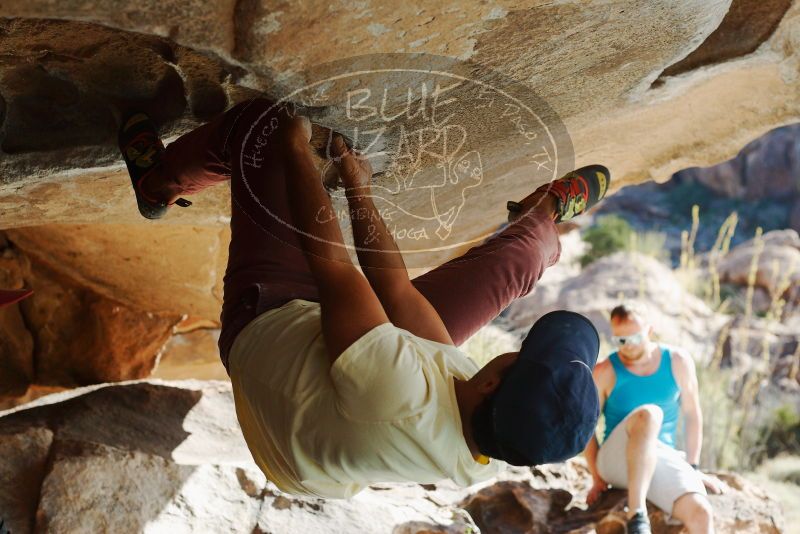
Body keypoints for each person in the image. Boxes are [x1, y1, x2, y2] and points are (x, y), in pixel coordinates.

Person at [118, 98, 610, 498]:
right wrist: (358, 189)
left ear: (491, 385)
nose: (519, 352)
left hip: (272, 323)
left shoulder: (399, 395)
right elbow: (394, 291)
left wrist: (294, 152)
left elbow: (330, 264)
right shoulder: (492, 436)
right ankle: (542, 218)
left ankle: (157, 181)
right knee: (523, 260)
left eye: (526, 357)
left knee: (263, 125)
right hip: (355, 375)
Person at [584, 303, 723, 534]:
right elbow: (586, 427)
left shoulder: (678, 361)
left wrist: (693, 466)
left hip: (659, 457)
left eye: (635, 337)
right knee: (649, 414)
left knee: (701, 514)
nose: (628, 346)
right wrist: (597, 478)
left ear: (649, 330)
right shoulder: (605, 371)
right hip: (616, 459)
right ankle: (637, 516)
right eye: (621, 340)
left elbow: (692, 413)